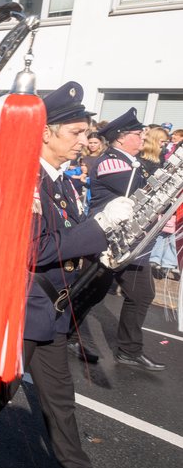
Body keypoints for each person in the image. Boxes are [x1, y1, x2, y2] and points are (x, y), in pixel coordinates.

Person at [0, 82, 134, 468]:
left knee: (59, 395)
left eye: (86, 133)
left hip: (53, 306)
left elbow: (68, 236)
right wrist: (99, 226)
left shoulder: (61, 179)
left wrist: (103, 244)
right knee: (2, 383)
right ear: (46, 132)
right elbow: (36, 249)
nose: (85, 140)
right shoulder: (26, 179)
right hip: (26, 303)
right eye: (76, 132)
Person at [86, 108, 165, 371]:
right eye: (137, 133)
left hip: (131, 241)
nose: (143, 137)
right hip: (110, 239)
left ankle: (129, 350)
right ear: (120, 138)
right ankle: (63, 335)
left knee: (137, 293)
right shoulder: (112, 163)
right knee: (90, 292)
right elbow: (144, 194)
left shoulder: (133, 163)